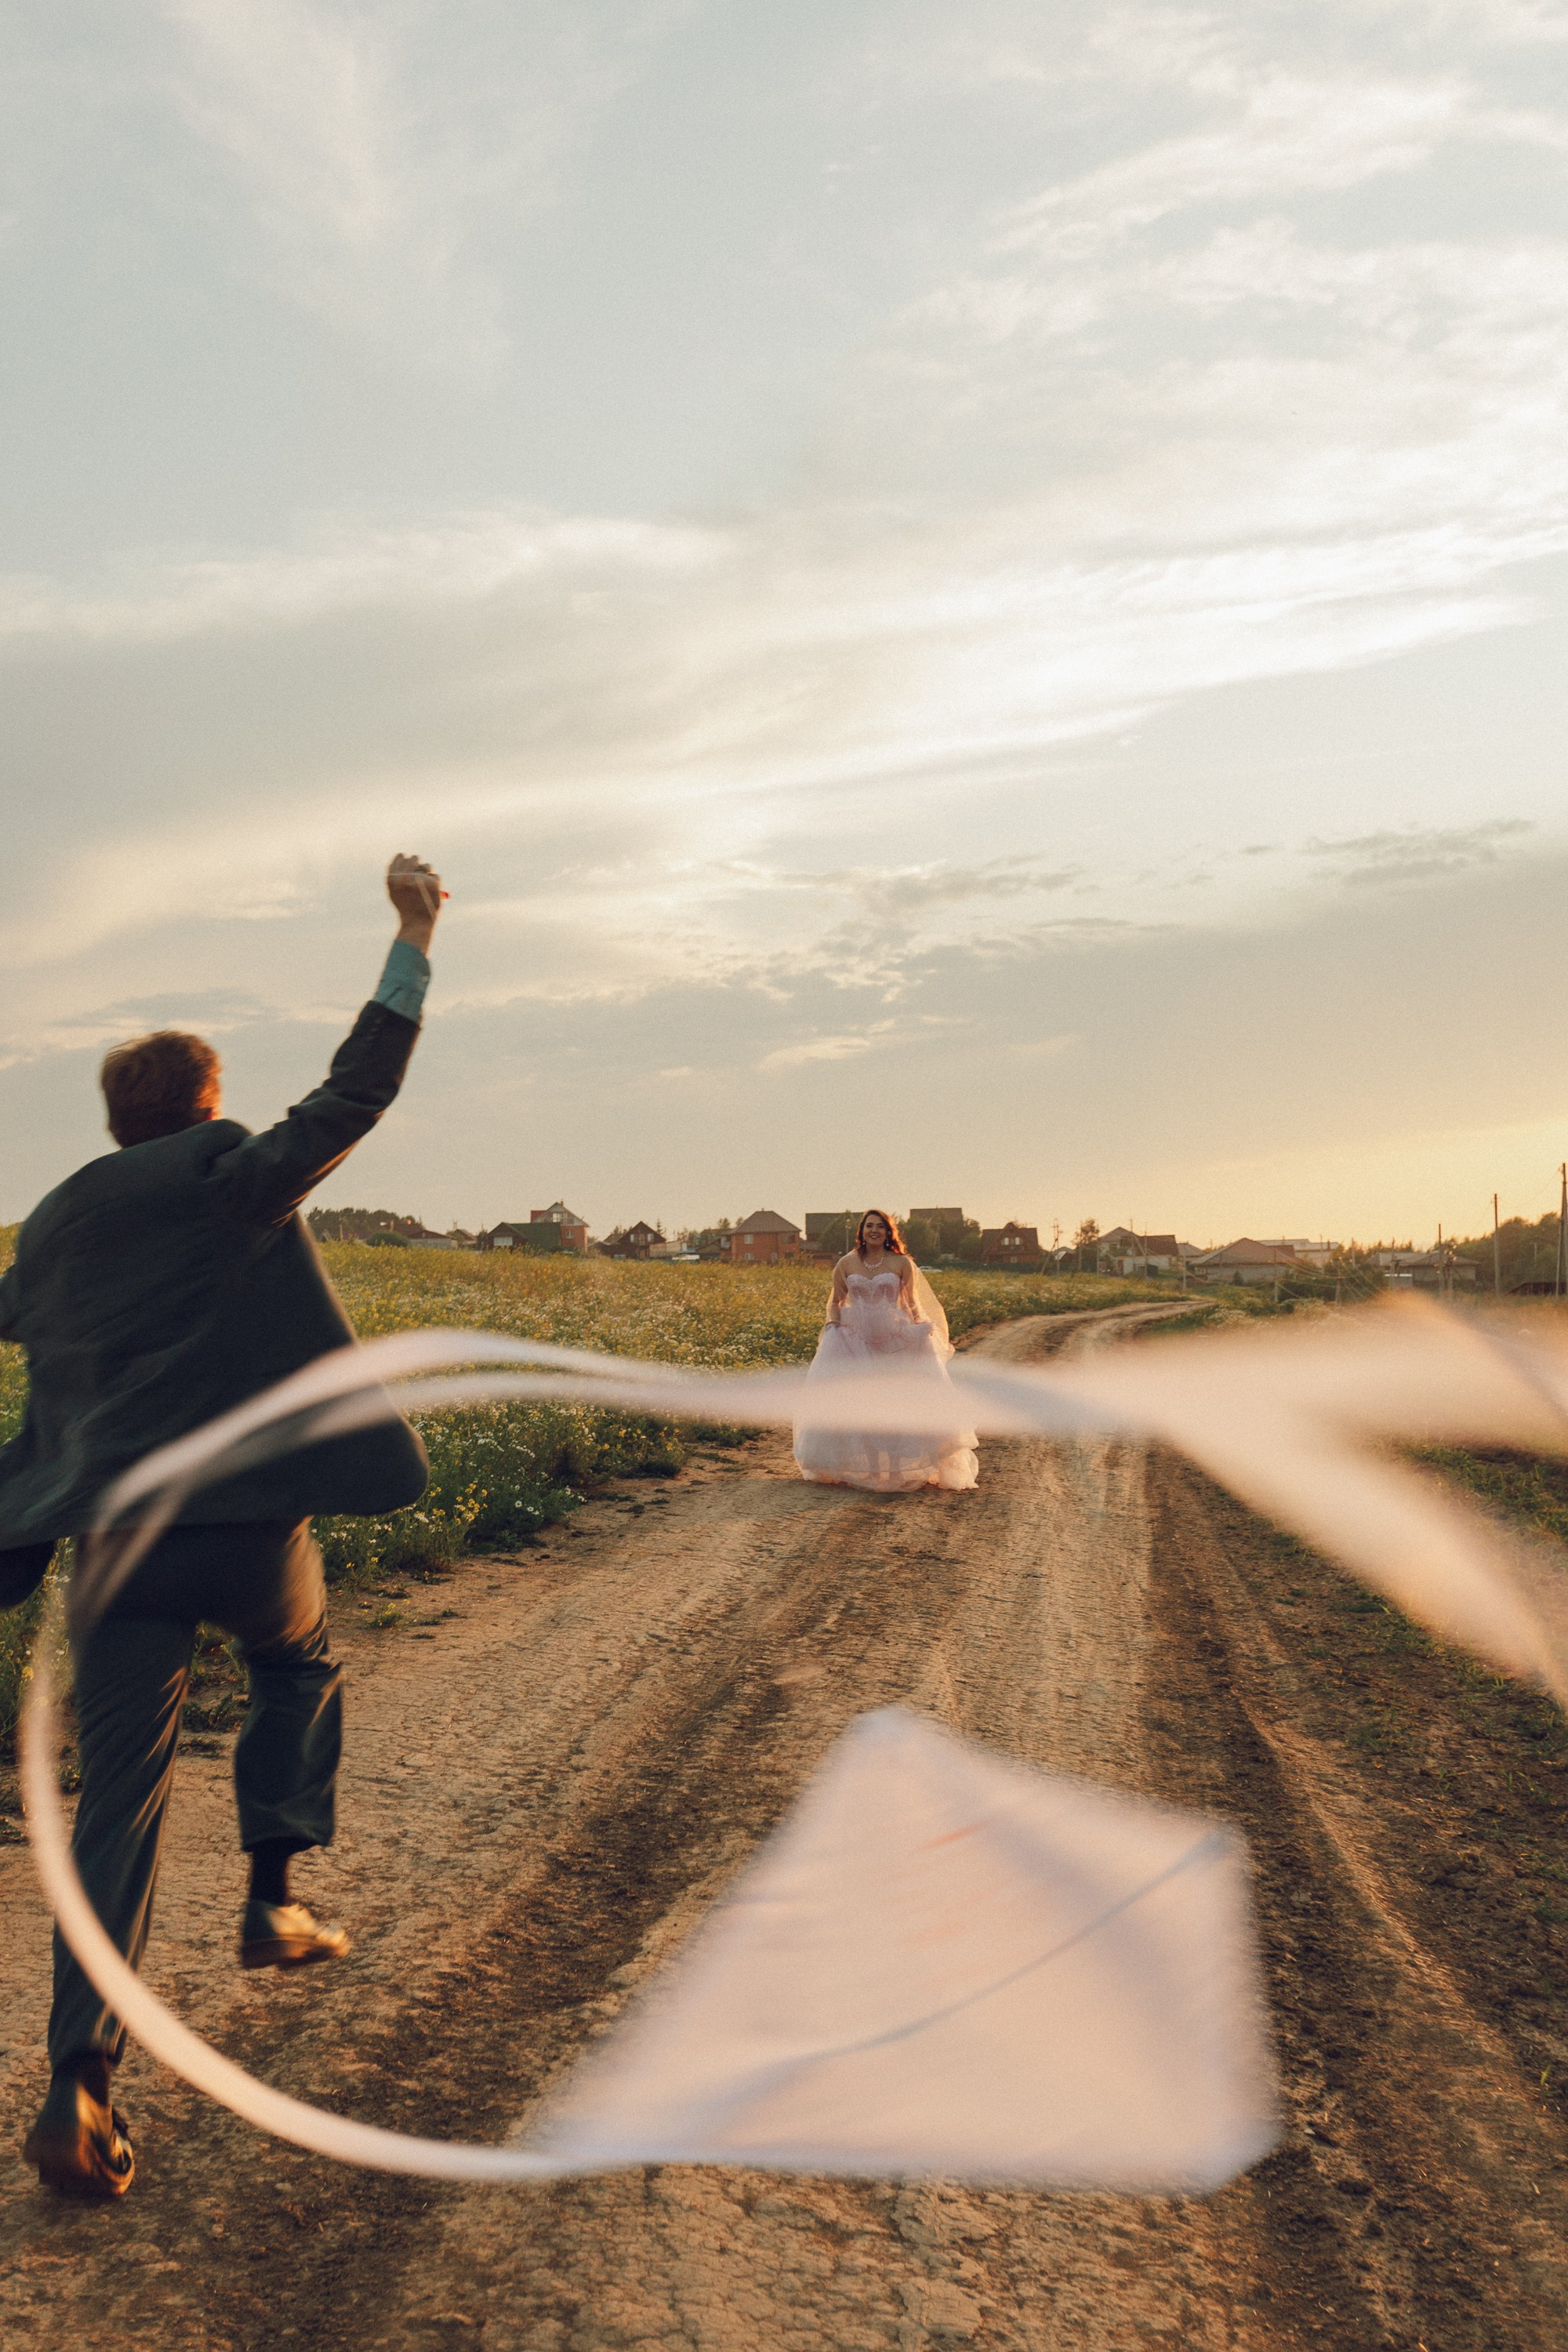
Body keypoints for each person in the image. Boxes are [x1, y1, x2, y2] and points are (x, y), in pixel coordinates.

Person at [0, 854, 444, 2200]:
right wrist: (414, 938)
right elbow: (355, 1090)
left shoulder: (57, 1227)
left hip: (111, 1545)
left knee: (115, 1811)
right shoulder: (229, 1177)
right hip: (245, 1525)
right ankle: (273, 1895)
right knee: (300, 1658)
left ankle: (80, 2084)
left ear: (111, 1118)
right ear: (205, 1110)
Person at [792, 1209, 978, 1494]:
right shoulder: (846, 1263)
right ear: (862, 1230)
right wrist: (833, 1324)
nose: (874, 1230)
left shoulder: (901, 1262)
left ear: (888, 1232)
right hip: (856, 1342)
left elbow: (912, 1302)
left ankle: (893, 1469)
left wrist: (921, 1325)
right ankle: (872, 1468)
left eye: (880, 1226)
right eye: (869, 1226)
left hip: (895, 1341)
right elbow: (835, 1301)